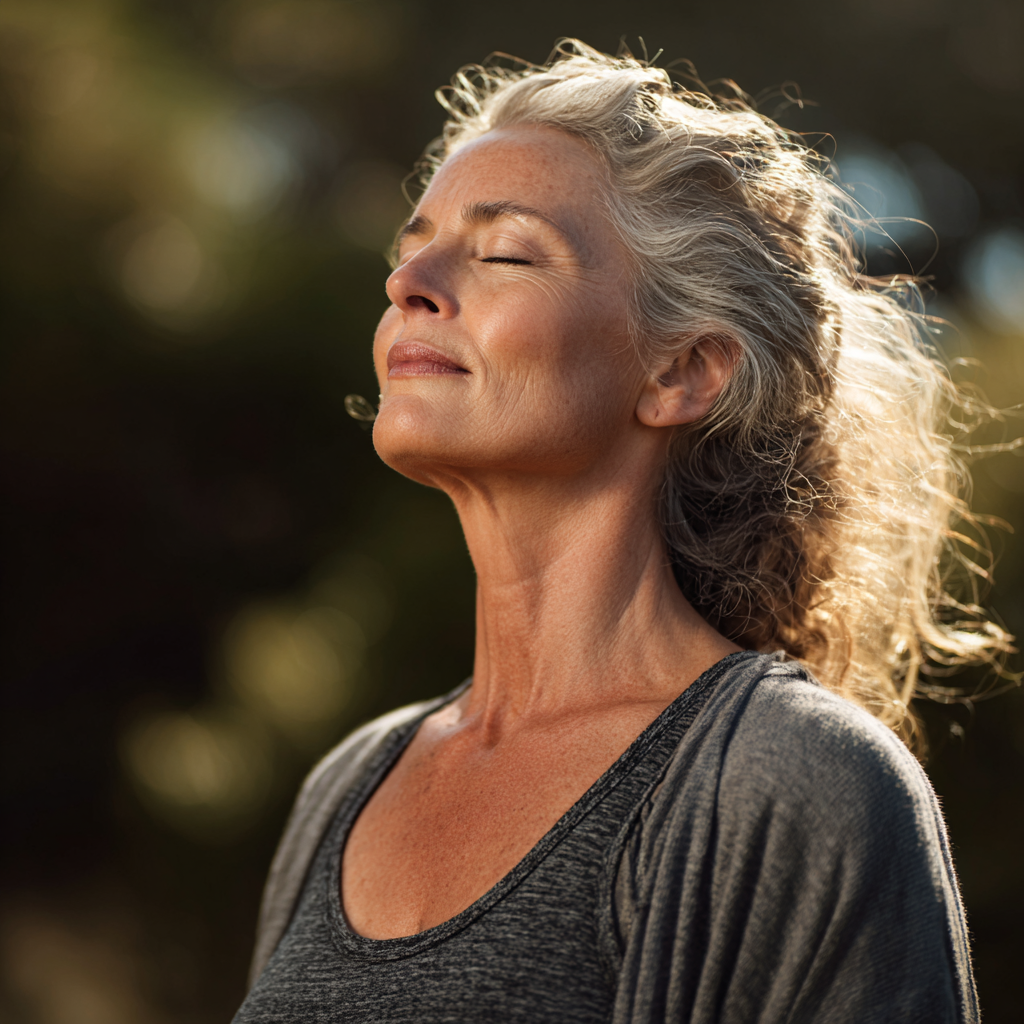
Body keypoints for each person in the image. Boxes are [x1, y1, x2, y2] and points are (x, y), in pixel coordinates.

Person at [233, 40, 1009, 1023]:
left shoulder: (795, 785)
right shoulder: (344, 788)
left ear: (680, 372)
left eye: (505, 251)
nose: (409, 281)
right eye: (409, 247)